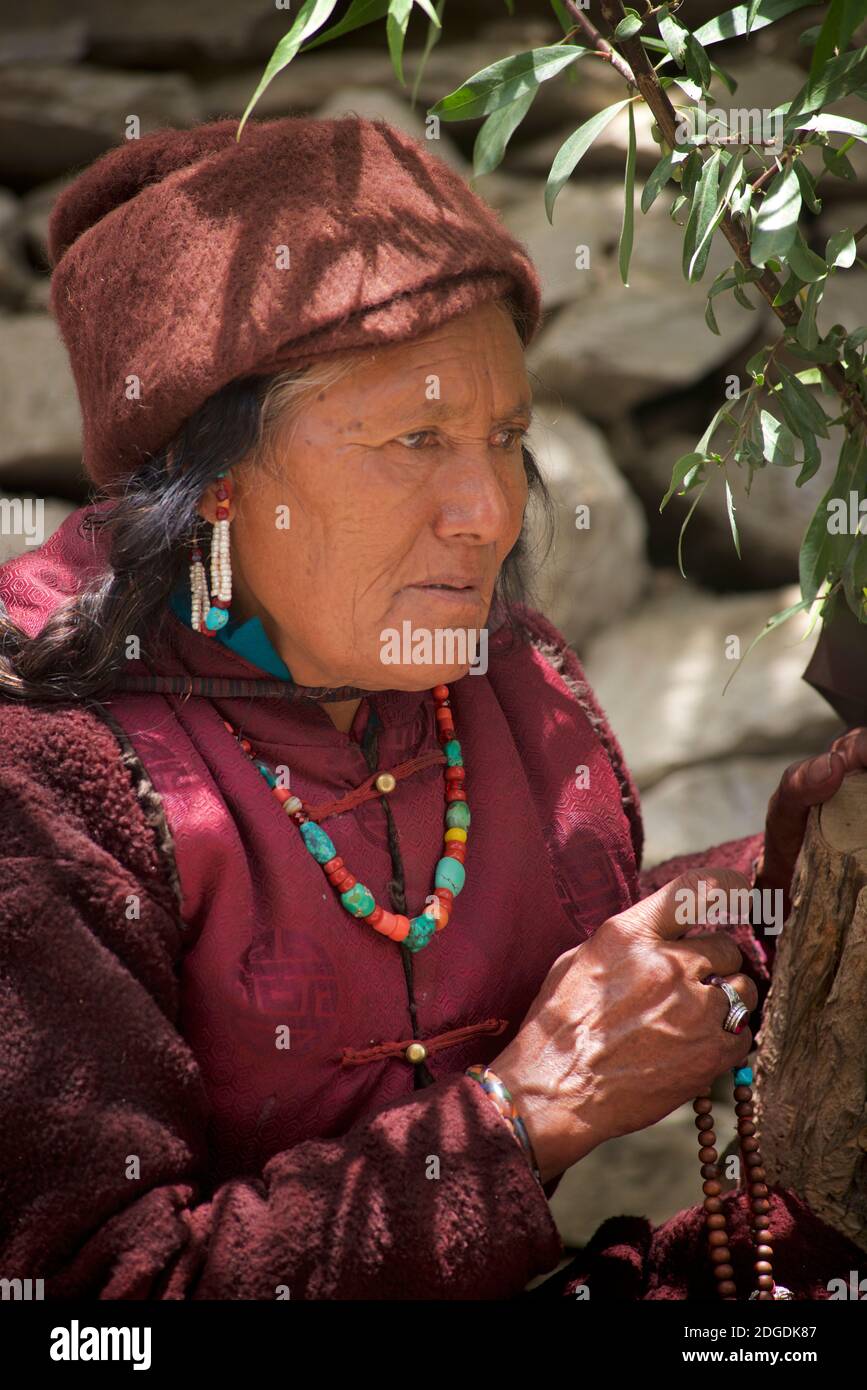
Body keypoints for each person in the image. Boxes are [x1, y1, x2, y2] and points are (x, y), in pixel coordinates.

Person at [0, 115, 863, 1300]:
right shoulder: (48, 775)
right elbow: (96, 1304)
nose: (488, 511)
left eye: (505, 438)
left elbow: (589, 969)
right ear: (214, 488)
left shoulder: (499, 685)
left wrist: (795, 880)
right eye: (417, 438)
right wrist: (526, 1117)